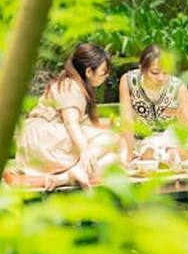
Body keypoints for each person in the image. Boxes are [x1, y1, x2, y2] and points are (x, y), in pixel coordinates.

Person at [15, 43, 124, 189]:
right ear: (88, 72)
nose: (106, 75)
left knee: (113, 159)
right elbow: (70, 122)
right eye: (104, 71)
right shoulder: (71, 85)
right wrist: (84, 148)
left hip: (45, 143)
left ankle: (66, 177)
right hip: (43, 138)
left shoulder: (74, 85)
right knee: (113, 139)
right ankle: (75, 171)